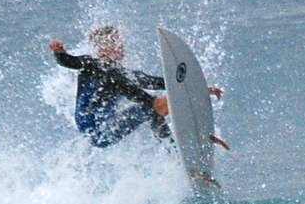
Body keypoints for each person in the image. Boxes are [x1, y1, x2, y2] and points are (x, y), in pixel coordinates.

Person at [49, 24, 224, 148]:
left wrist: (197, 86)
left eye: (119, 42)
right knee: (117, 78)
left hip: (111, 126)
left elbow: (161, 83)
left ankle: (177, 153)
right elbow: (69, 61)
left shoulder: (124, 73)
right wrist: (60, 53)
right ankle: (159, 103)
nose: (120, 46)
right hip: (96, 131)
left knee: (151, 111)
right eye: (114, 43)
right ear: (101, 48)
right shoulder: (90, 64)